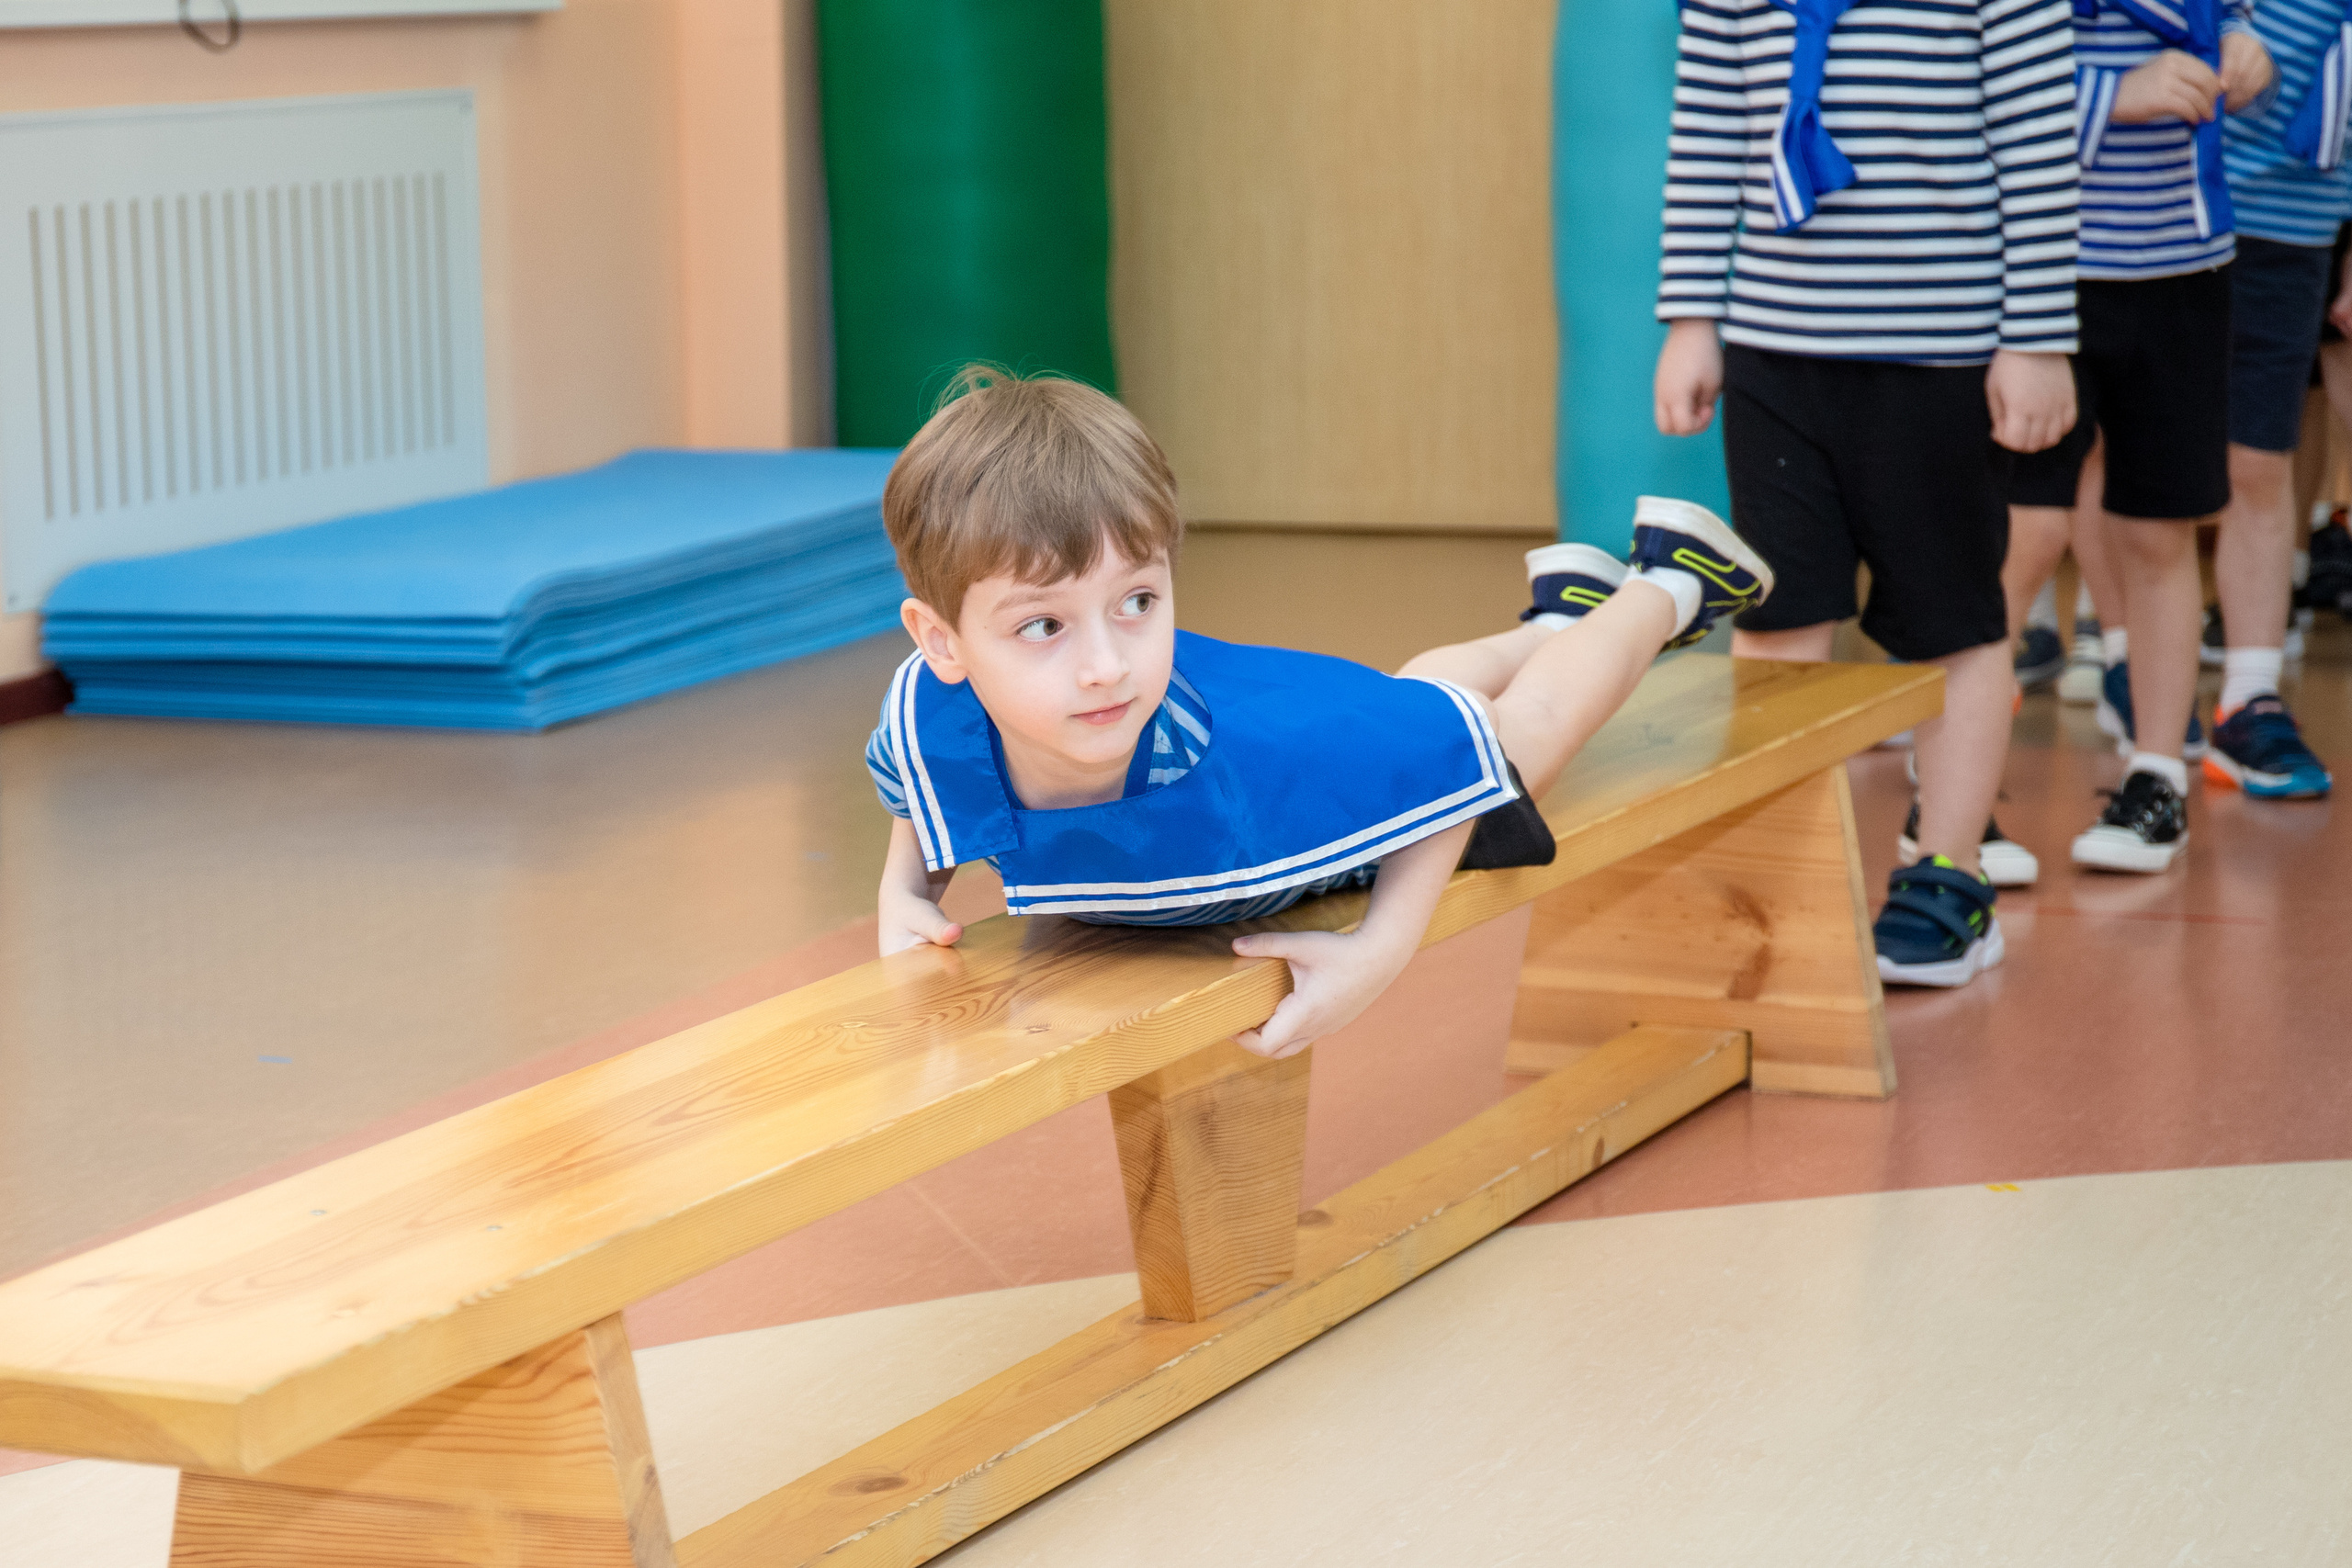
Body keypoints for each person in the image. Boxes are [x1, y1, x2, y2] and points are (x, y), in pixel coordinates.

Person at [865, 368, 1773, 1060]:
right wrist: (906, 888)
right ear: (941, 642)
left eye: (1137, 602)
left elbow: (1441, 775)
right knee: (1408, 704)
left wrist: (1382, 948)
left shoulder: (1205, 771)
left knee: (1510, 734)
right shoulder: (930, 707)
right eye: (1042, 626)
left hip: (1274, 761)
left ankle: (1671, 580)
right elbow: (920, 775)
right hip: (1293, 733)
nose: (1105, 667)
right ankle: (1556, 616)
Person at [1653, 0, 2079, 984]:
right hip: (1773, 352)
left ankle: (1949, 873)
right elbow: (1710, 127)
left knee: (1951, 621)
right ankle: (1785, 874)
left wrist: (2036, 337)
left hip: (1937, 351)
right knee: (1778, 617)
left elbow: (2036, 143)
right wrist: (1689, 318)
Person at [2006, 0, 2274, 873]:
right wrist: (2112, 95)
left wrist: (2244, 46)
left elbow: (2231, 17)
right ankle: (1952, 796)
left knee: (2159, 529)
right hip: (2036, 278)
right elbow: (1969, 83)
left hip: (2184, 267)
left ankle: (2157, 774)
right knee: (2020, 534)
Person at [2199, 0, 2344, 797]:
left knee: (2259, 457)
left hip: (2294, 210)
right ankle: (2118, 661)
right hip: (2154, 205)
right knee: (2106, 457)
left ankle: (2249, 695)